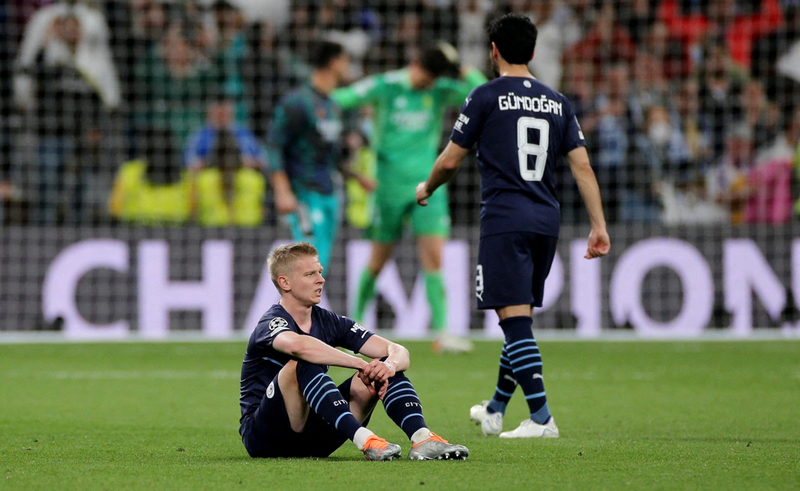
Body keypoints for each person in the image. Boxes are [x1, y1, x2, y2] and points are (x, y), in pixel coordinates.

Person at [415, 14, 610, 438]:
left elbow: (450, 160)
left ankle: (541, 418)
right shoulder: (558, 101)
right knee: (517, 315)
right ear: (534, 52)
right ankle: (496, 408)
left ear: (493, 51)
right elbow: (583, 167)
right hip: (546, 219)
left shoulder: (485, 95)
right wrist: (598, 225)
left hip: (505, 218)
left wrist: (426, 186)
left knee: (514, 322)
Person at [239, 242, 469, 461]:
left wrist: (387, 365)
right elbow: (298, 346)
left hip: (316, 439)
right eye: (310, 274)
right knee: (300, 362)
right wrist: (359, 363)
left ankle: (422, 439)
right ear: (285, 283)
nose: (321, 279)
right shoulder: (271, 322)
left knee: (382, 366)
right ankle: (365, 441)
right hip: (266, 437)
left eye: (320, 272)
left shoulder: (330, 321)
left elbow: (397, 350)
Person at [332, 43, 487, 353]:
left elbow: (482, 93)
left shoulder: (441, 89)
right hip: (387, 189)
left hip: (429, 186)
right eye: (423, 75)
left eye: (432, 78)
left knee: (433, 259)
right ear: (413, 62)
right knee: (377, 261)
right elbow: (339, 99)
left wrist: (459, 68)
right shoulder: (385, 86)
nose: (425, 82)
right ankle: (352, 328)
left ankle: (443, 332)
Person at [266, 40, 374, 271]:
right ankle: (291, 308)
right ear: (333, 63)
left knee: (318, 264)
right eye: (346, 61)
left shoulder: (334, 105)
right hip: (304, 193)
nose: (349, 68)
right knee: (307, 263)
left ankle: (301, 307)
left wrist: (357, 177)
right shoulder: (297, 103)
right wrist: (282, 190)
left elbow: (329, 153)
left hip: (329, 192)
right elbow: (274, 146)